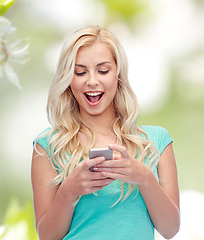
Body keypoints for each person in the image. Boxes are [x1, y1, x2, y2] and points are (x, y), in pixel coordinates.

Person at [31, 26, 180, 240]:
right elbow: (47, 236)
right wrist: (69, 190)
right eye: (80, 72)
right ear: (68, 79)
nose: (92, 81)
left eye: (102, 71)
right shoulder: (48, 146)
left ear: (118, 74)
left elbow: (170, 229)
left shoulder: (156, 142)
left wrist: (144, 178)